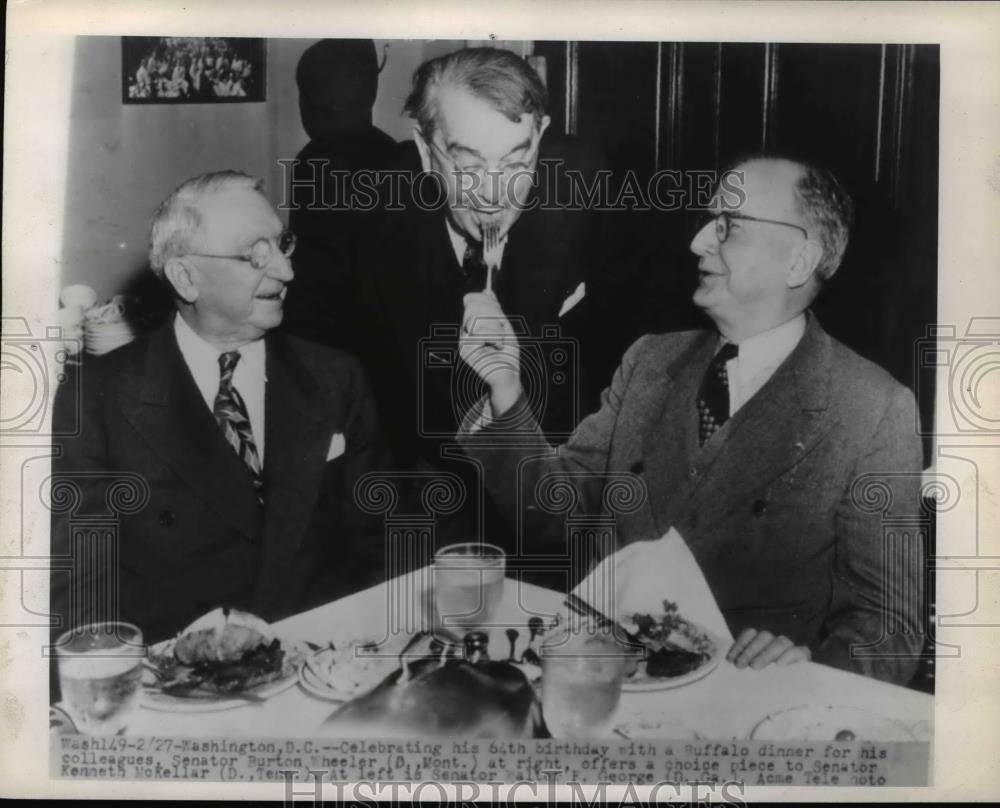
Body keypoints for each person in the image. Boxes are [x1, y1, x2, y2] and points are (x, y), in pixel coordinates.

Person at [456, 156, 925, 685]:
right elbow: (550, 515)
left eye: (728, 225)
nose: (699, 241)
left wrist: (807, 669)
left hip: (742, 705)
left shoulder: (874, 408)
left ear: (798, 261)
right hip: (601, 684)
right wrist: (505, 390)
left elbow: (889, 626)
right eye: (708, 221)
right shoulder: (650, 361)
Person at [50, 171, 390, 645]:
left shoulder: (337, 379)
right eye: (255, 255)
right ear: (186, 277)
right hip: (177, 688)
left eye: (283, 244)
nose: (287, 272)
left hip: (320, 666)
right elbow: (78, 601)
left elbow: (379, 556)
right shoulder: (95, 401)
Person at [280, 38, 398, 355]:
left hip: (322, 334)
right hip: (375, 334)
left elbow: (309, 268)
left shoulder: (311, 160)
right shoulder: (393, 156)